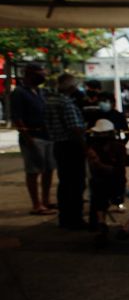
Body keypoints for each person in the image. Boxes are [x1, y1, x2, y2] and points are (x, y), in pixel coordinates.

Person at [10, 63, 57, 215]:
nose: (43, 76)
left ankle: (45, 200)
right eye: (40, 73)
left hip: (48, 135)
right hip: (33, 136)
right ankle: (36, 204)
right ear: (31, 74)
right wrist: (28, 139)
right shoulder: (19, 92)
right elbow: (17, 118)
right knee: (33, 171)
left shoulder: (40, 92)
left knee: (49, 170)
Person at [44, 74, 87, 229]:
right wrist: (85, 145)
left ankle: (65, 217)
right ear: (70, 86)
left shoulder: (50, 100)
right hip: (71, 147)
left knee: (65, 183)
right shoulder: (66, 102)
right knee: (76, 184)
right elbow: (74, 129)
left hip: (59, 145)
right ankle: (75, 218)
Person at [85, 119, 126, 243]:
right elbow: (94, 170)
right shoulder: (94, 148)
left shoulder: (119, 148)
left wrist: (99, 164)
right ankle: (101, 222)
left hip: (115, 183)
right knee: (97, 185)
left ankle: (100, 222)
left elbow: (118, 171)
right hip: (100, 182)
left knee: (99, 186)